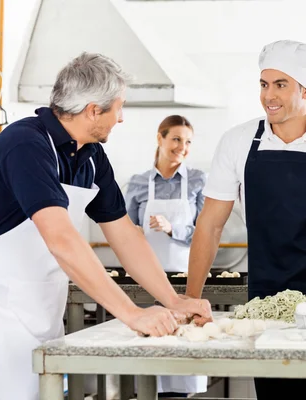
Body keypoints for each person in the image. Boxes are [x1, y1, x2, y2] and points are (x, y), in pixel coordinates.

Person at [0, 52, 211, 400]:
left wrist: (173, 299)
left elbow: (125, 234)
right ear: (93, 110)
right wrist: (131, 314)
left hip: (38, 306)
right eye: (119, 107)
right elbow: (61, 239)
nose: (122, 118)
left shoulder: (91, 156)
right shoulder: (26, 144)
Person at [185, 39, 306, 400]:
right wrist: (190, 298)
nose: (268, 96)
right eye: (263, 84)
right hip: (268, 301)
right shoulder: (237, 142)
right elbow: (210, 225)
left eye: (280, 85)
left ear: (305, 89)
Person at [125, 115, 207, 397]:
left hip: (185, 278)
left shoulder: (198, 180)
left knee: (183, 348)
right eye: (175, 139)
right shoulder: (138, 183)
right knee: (149, 350)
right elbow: (127, 233)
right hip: (146, 279)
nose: (182, 147)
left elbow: (206, 234)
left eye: (187, 142)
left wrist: (174, 229)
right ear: (160, 138)